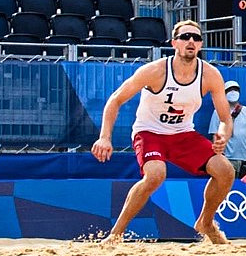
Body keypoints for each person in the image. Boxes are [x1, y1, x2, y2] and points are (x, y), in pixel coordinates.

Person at [88, 20, 237, 243]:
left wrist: (223, 135)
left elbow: (225, 118)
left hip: (183, 134)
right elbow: (115, 100)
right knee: (156, 175)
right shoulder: (155, 71)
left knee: (226, 171)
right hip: (149, 132)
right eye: (185, 37)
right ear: (174, 43)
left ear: (200, 44)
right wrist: (104, 137)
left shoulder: (210, 74)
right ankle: (115, 234)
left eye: (196, 38)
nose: (191, 41)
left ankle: (205, 222)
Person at [222, 80, 246, 180]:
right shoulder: (219, 111)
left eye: (235, 90)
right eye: (229, 90)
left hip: (245, 159)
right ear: (224, 93)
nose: (233, 92)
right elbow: (215, 135)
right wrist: (219, 155)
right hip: (227, 159)